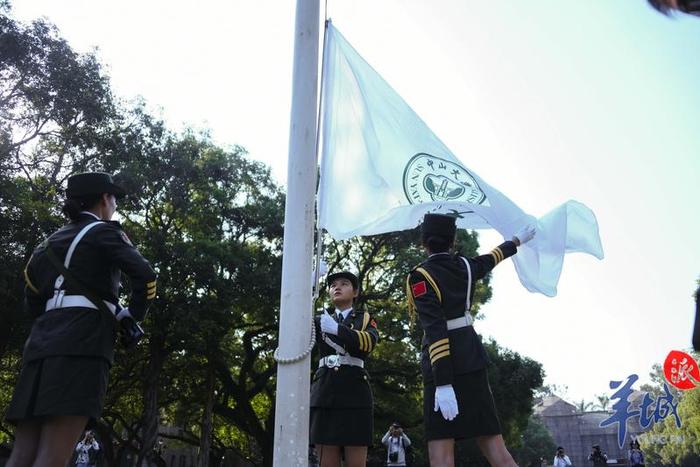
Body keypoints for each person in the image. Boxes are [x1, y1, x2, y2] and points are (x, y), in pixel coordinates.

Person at [4, 172, 157, 467]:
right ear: (104, 199)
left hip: (40, 349)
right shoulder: (105, 232)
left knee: (21, 455)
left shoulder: (45, 246)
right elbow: (146, 276)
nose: (114, 204)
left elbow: (33, 303)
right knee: (53, 456)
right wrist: (130, 316)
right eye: (113, 197)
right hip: (83, 346)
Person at [406, 213, 535, 467]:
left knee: (441, 455)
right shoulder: (465, 266)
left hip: (440, 363)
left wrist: (443, 383)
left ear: (424, 243)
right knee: (496, 449)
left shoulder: (420, 276)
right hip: (471, 358)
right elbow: (492, 258)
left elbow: (435, 330)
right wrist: (516, 241)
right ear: (452, 241)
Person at [310, 271, 380, 467]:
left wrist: (338, 330)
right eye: (333, 285)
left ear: (355, 292)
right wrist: (308, 285)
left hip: (355, 393)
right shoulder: (318, 319)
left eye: (344, 283)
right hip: (324, 391)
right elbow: (293, 326)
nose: (337, 287)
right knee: (326, 463)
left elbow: (368, 343)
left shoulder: (364, 318)